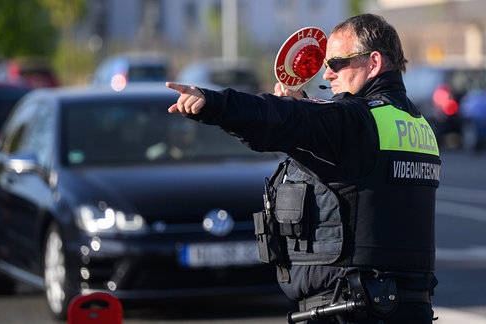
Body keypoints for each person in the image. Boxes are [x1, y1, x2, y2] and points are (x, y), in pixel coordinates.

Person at [166, 13, 440, 324]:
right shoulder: (416, 124)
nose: (328, 73)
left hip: (349, 309)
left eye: (336, 62)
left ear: (374, 63)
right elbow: (353, 159)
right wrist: (304, 107)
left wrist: (214, 105)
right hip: (405, 307)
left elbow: (284, 119)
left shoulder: (356, 122)